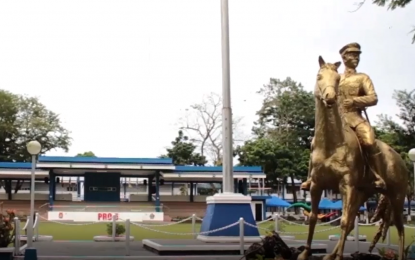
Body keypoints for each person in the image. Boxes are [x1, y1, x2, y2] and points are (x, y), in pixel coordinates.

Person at [301, 43, 386, 191]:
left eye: (358, 55)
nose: (356, 58)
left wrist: (354, 101)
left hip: (355, 118)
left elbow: (373, 98)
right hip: (337, 121)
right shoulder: (334, 77)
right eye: (353, 55)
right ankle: (311, 177)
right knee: (316, 142)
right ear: (344, 57)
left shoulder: (362, 78)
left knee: (369, 141)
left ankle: (376, 175)